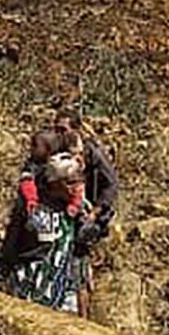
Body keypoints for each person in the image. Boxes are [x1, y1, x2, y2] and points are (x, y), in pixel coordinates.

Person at [0, 153, 84, 314]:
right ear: (55, 183)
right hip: (30, 282)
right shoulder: (34, 207)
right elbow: (14, 237)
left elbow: (80, 249)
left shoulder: (78, 208)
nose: (76, 188)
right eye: (70, 182)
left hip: (63, 287)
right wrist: (3, 265)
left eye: (79, 181)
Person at [52, 109, 118, 318]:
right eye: (56, 130)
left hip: (87, 216)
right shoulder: (57, 152)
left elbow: (111, 184)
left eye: (63, 129)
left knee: (78, 262)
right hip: (64, 214)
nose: (59, 134)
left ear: (76, 130)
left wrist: (96, 212)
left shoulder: (92, 153)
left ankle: (83, 318)